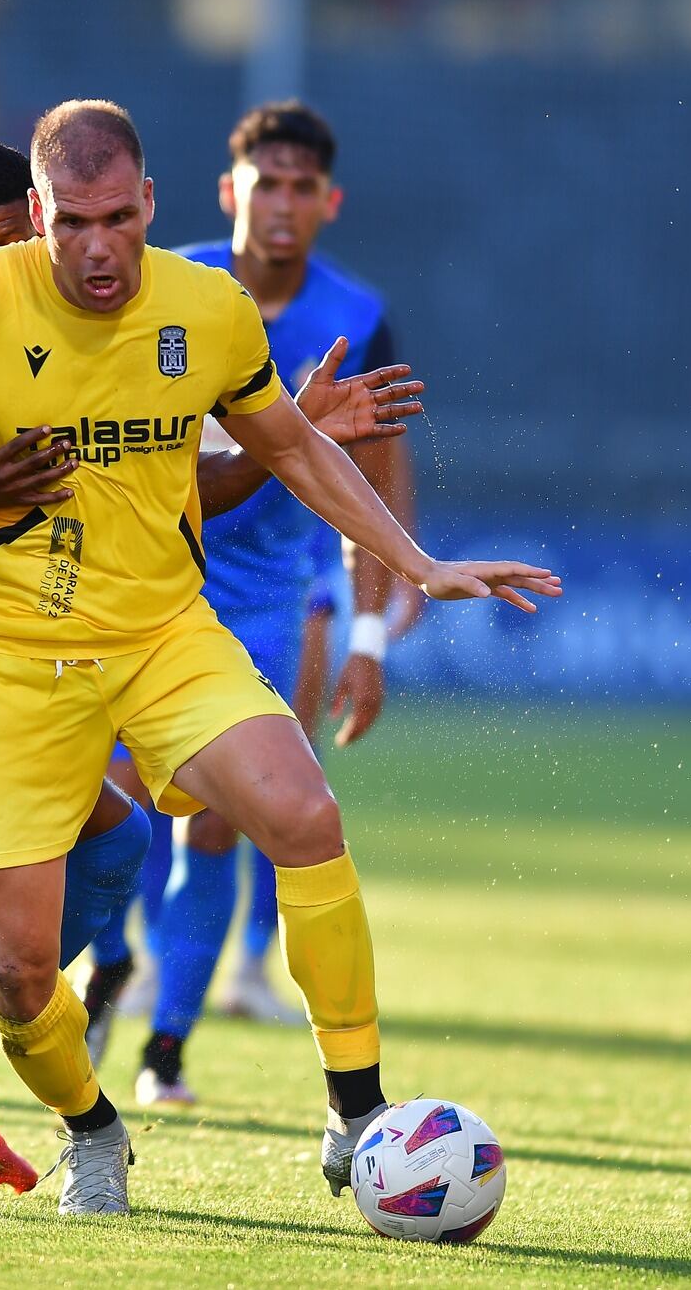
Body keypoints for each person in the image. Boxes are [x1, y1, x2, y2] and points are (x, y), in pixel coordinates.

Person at [0, 98, 558, 1216]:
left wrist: (408, 560)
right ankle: (56, 1119)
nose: (92, 248)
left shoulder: (204, 310)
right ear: (39, 224)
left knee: (269, 823)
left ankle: (351, 1111)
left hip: (155, 636)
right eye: (67, 226)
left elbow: (251, 455)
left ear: (148, 205)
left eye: (112, 219)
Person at [96, 100, 425, 1106]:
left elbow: (373, 484)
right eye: (263, 184)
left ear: (326, 204)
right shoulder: (159, 282)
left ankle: (164, 1054)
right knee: (101, 806)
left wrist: (368, 635)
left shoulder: (357, 316)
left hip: (264, 600)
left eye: (299, 189)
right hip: (140, 585)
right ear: (229, 191)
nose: (279, 206)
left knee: (218, 824)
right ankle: (104, 962)